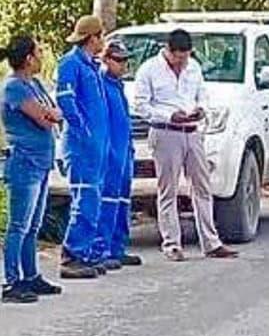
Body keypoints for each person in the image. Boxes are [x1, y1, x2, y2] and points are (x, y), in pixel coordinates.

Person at [134, 29, 237, 261]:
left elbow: (202, 95)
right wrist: (169, 115)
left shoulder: (194, 68)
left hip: (192, 132)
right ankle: (172, 243)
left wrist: (201, 109)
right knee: (167, 189)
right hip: (166, 132)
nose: (182, 63)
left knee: (202, 186)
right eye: (178, 58)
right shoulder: (149, 69)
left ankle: (211, 242)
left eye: (186, 58)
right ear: (168, 51)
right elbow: (141, 106)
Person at [0, 36, 63, 303]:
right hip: (24, 162)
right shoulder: (14, 87)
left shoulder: (34, 84)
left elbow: (54, 112)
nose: (41, 57)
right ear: (28, 58)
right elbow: (44, 118)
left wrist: (51, 114)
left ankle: (31, 275)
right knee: (19, 224)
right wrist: (50, 114)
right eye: (38, 53)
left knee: (34, 224)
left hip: (41, 160)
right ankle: (11, 280)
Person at [56, 15, 116, 279]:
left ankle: (87, 251)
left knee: (94, 199)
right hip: (82, 147)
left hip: (97, 146)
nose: (103, 41)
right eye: (101, 36)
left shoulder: (91, 66)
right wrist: (84, 132)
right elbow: (66, 102)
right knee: (85, 199)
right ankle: (72, 253)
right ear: (92, 38)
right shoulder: (71, 64)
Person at [91, 40, 143, 267]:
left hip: (124, 151)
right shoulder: (101, 85)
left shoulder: (118, 86)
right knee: (108, 200)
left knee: (122, 200)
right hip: (110, 152)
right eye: (119, 60)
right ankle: (102, 250)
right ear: (106, 60)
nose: (123, 65)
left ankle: (117, 246)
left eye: (125, 60)